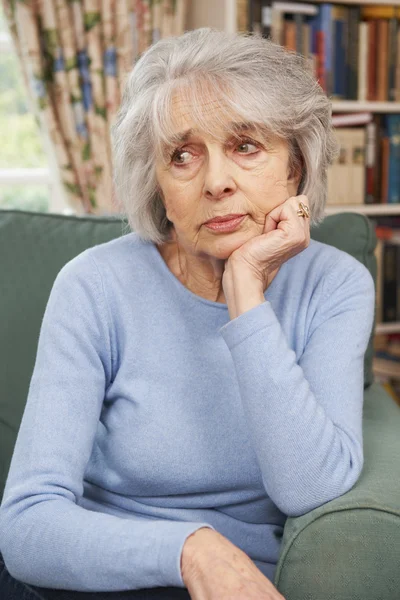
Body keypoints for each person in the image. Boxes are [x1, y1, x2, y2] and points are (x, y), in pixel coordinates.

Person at [0, 26, 375, 600]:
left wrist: (244, 293)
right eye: (182, 156)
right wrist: (189, 550)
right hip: (97, 573)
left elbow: (309, 488)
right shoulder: (93, 286)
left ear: (296, 166)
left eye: (246, 146)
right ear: (157, 186)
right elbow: (27, 524)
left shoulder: (335, 284)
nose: (217, 182)